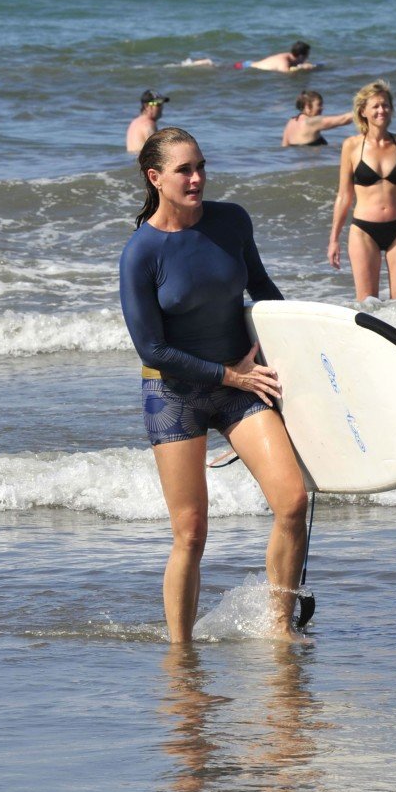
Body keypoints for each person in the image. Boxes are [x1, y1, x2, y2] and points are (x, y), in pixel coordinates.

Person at [119, 127, 308, 644]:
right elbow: (152, 350)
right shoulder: (141, 253)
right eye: (185, 169)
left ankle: (280, 629)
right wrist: (232, 374)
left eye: (201, 165)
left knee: (292, 501)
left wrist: (302, 351)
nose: (198, 177)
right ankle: (181, 652)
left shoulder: (231, 221)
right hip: (174, 394)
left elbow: (264, 290)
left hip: (239, 384)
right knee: (191, 534)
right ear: (155, 177)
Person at [327, 79, 396, 300]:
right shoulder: (351, 146)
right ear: (363, 111)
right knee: (368, 305)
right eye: (376, 106)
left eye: (386, 105)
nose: (382, 110)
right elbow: (344, 196)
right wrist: (334, 239)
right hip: (363, 231)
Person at [282, 90, 353, 147]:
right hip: (310, 163)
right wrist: (360, 111)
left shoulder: (290, 122)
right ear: (307, 107)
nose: (322, 108)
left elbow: (284, 147)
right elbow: (344, 119)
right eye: (319, 105)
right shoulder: (311, 122)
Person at [236, 40, 315, 72]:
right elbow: (287, 73)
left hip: (248, 64)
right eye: (307, 56)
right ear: (301, 56)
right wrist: (302, 68)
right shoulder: (284, 62)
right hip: (246, 66)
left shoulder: (288, 55)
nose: (307, 58)